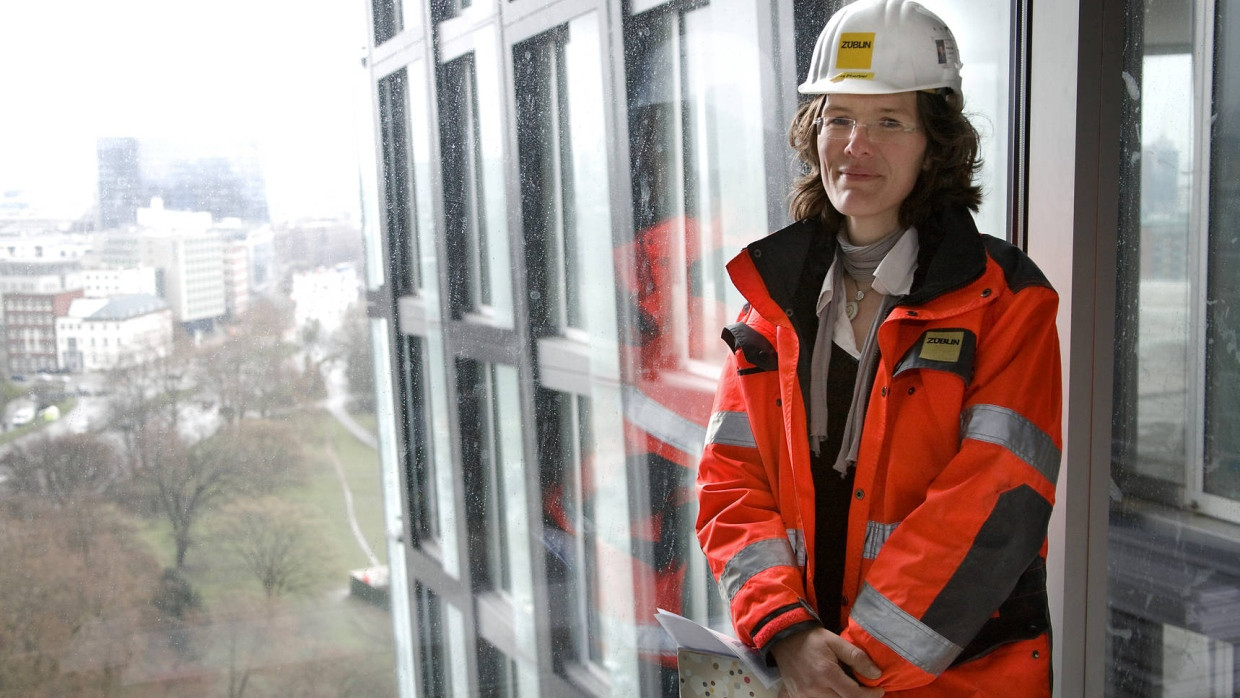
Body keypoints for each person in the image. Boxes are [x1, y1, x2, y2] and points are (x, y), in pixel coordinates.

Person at [694, 1, 1062, 696]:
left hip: (959, 681)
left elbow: (993, 507)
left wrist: (854, 671)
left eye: (889, 123)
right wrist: (789, 635)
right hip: (806, 671)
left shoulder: (1007, 304)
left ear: (935, 144)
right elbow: (729, 486)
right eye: (839, 118)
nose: (855, 146)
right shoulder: (768, 304)